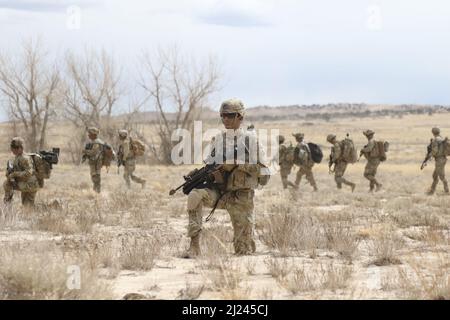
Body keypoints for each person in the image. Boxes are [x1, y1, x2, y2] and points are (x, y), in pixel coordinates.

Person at [183, 99, 270, 258]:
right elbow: (211, 165)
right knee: (195, 195)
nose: (225, 120)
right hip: (220, 193)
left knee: (243, 251)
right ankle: (194, 247)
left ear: (240, 117)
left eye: (230, 116)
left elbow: (265, 175)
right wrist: (198, 173)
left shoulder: (252, 141)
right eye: (222, 116)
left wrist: (238, 163)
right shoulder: (218, 140)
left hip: (241, 198)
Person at [3, 137, 40, 207]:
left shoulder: (24, 158)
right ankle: (7, 205)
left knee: (7, 184)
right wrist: (9, 173)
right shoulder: (18, 157)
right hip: (26, 184)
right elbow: (15, 170)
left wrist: (14, 174)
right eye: (12, 148)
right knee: (27, 207)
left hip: (30, 185)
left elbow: (28, 173)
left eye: (14, 148)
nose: (12, 150)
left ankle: (7, 205)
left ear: (20, 148)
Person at [426, 127, 449, 195]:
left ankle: (447, 190)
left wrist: (429, 155)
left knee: (441, 176)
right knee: (435, 176)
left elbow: (435, 151)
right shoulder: (441, 138)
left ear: (433, 132)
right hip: (442, 159)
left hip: (440, 160)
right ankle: (432, 191)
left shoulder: (436, 140)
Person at [82, 127, 104, 193]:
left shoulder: (96, 142)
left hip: (96, 162)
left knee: (95, 176)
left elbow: (93, 152)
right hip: (95, 162)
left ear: (94, 134)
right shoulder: (95, 142)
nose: (88, 135)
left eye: (90, 134)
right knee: (95, 176)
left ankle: (97, 191)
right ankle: (96, 190)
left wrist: (85, 151)